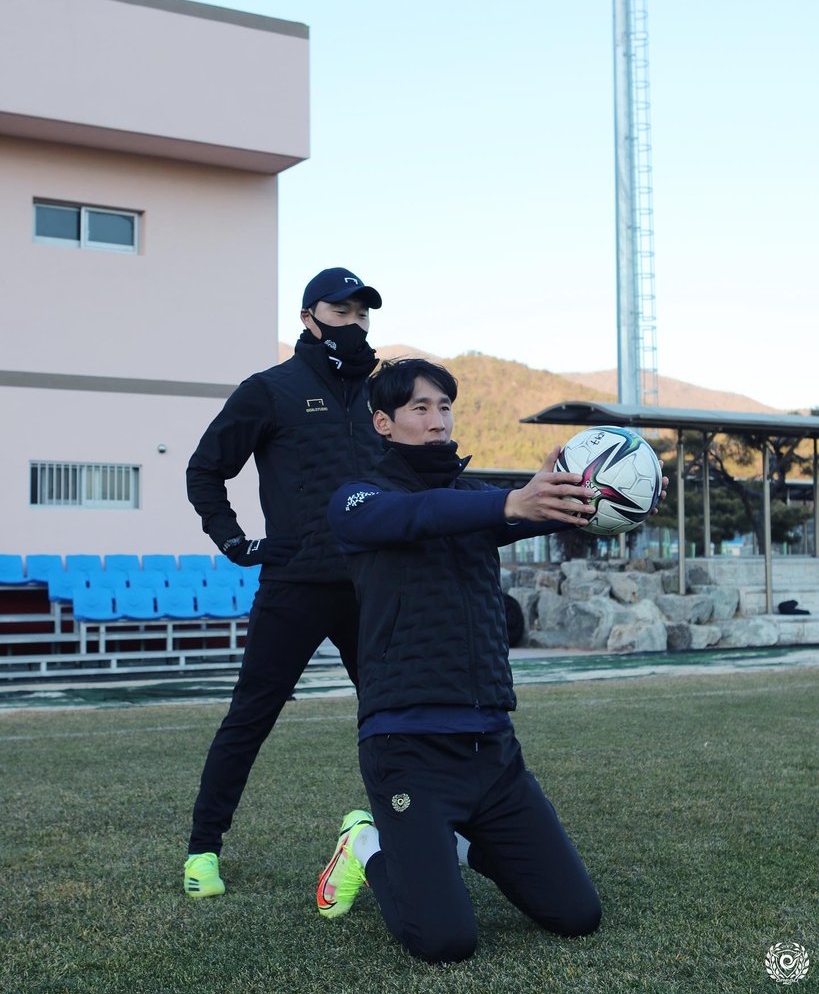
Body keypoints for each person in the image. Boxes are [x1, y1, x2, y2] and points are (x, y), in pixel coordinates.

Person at [315, 358, 604, 963]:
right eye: (420, 408)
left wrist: (582, 496)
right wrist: (510, 504)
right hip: (407, 750)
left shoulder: (474, 500)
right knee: (446, 942)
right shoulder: (357, 500)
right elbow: (420, 517)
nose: (437, 419)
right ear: (384, 423)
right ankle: (366, 845)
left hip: (493, 752)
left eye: (445, 407)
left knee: (577, 915)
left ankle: (454, 846)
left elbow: (514, 509)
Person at [182, 267, 384, 898]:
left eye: (362, 313)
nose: (353, 323)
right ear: (307, 318)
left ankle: (402, 830)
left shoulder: (384, 396)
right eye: (340, 311)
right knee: (251, 716)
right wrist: (237, 542)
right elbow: (205, 470)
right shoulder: (270, 390)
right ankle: (202, 853)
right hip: (295, 582)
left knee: (396, 712)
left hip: (371, 585)